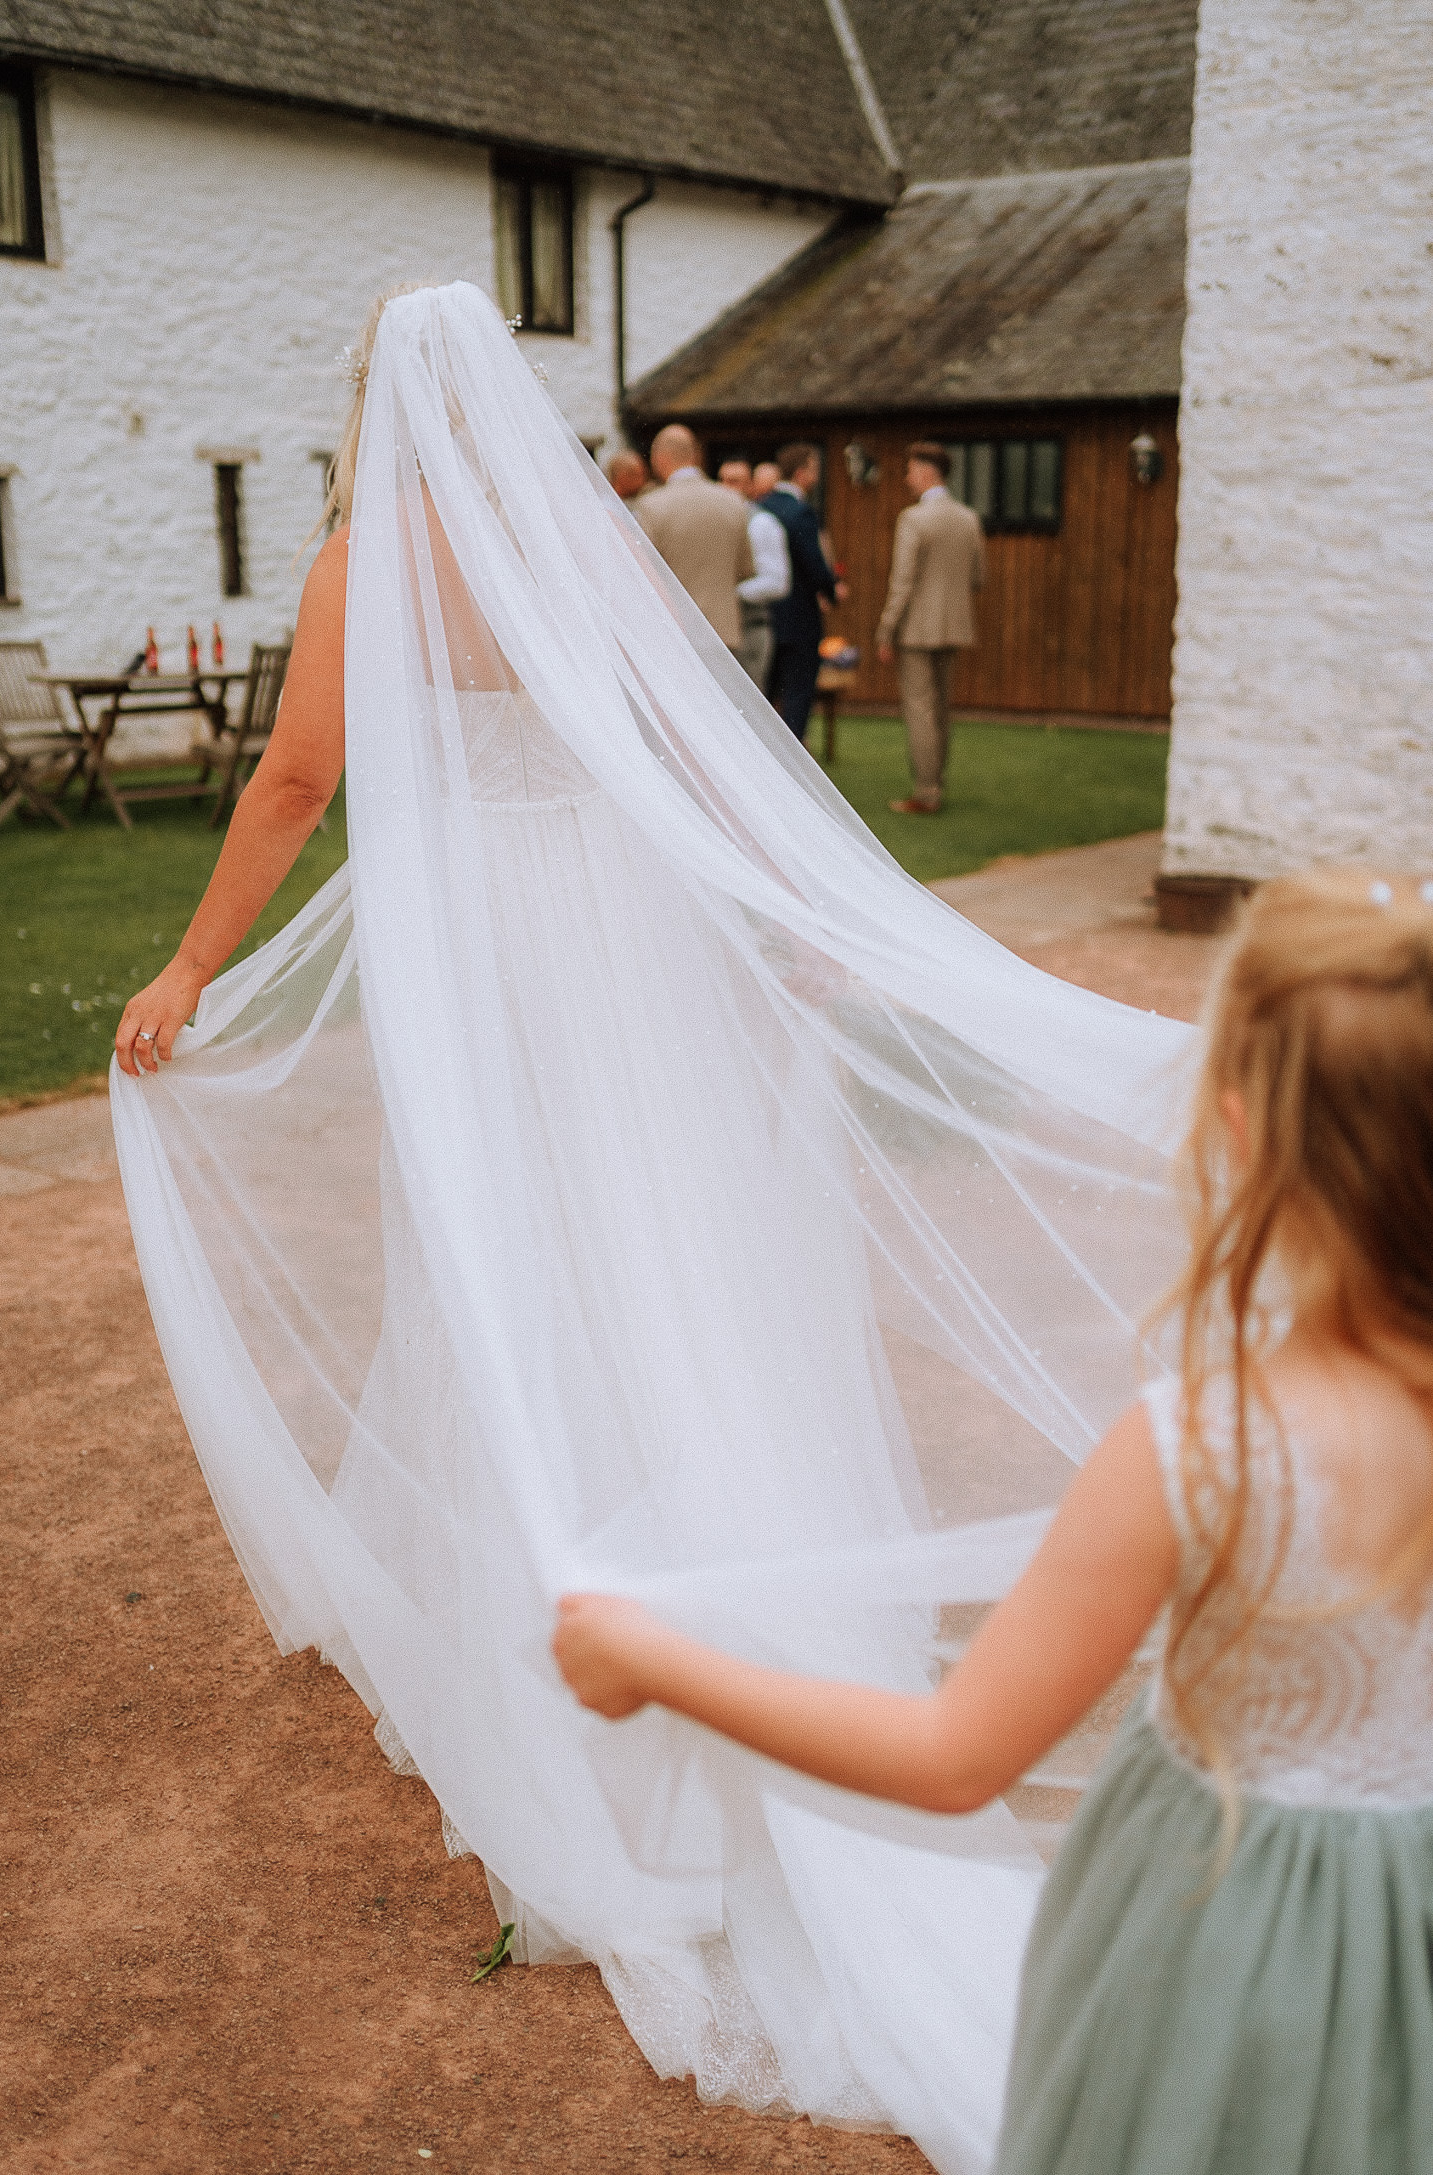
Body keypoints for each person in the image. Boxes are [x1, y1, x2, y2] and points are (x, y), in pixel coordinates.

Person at [111, 281, 1188, 2175]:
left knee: (515, 1267)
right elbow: (694, 749)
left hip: (498, 968)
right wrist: (783, 930)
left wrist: (196, 963)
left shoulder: (371, 556)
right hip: (631, 943)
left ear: (370, 403)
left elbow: (298, 781)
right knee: (680, 1253)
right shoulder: (571, 537)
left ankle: (585, 1649)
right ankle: (729, 1582)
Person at [557, 864, 1433, 2175]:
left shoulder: (1202, 1444)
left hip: (1211, 1930)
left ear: (1239, 1129)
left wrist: (650, 1659)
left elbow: (953, 1753)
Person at [875, 442, 985, 815]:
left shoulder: (913, 519)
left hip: (917, 629)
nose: (907, 479)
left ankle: (926, 792)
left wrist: (885, 630)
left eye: (909, 471)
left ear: (925, 472)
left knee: (920, 709)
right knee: (941, 710)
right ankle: (936, 784)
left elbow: (902, 582)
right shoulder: (969, 518)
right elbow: (978, 577)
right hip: (955, 626)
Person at [632, 423, 754, 649]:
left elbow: (643, 573)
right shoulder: (733, 501)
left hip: (675, 633)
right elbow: (746, 569)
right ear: (695, 456)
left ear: (660, 458)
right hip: (723, 632)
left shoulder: (651, 506)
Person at [758, 444, 846, 741]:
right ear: (801, 472)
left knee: (763, 695)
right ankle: (792, 766)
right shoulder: (801, 513)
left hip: (765, 616)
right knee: (797, 696)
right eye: (814, 468)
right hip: (799, 618)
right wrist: (832, 592)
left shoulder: (761, 507)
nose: (817, 475)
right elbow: (815, 565)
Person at [717, 457, 790, 693]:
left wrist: (730, 594)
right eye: (723, 480)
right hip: (716, 631)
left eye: (735, 481)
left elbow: (777, 582)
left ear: (750, 487)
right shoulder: (714, 520)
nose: (728, 487)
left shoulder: (761, 523)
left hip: (749, 628)